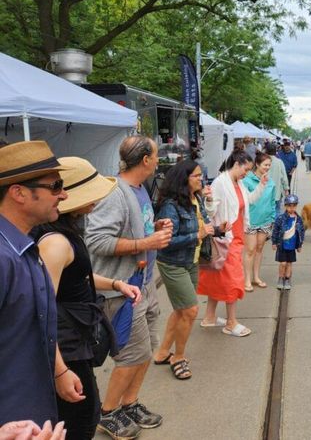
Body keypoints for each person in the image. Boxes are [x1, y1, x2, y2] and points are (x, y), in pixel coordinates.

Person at [35, 157, 142, 439]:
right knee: (80, 419)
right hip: (66, 345)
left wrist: (116, 284)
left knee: (85, 413)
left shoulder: (66, 233)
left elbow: (78, 276)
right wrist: (60, 371)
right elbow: (42, 309)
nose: (97, 199)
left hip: (74, 339)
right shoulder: (55, 242)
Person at [85, 135, 174, 438]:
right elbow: (96, 241)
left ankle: (130, 404)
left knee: (145, 350)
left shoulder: (138, 188)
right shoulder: (114, 192)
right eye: (156, 155)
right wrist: (146, 242)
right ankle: (108, 412)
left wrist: (154, 228)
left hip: (143, 284)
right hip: (122, 290)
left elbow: (136, 229)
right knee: (131, 354)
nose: (158, 160)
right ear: (146, 160)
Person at [0, 141, 70, 427]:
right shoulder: (4, 257)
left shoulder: (22, 246)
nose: (64, 194)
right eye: (55, 186)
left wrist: (58, 371)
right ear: (18, 193)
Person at [153, 160, 219, 381]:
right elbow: (166, 241)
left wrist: (217, 230)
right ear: (184, 179)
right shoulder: (170, 206)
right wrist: (197, 235)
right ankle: (178, 357)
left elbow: (205, 223)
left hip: (191, 260)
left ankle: (163, 352)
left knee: (181, 310)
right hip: (173, 263)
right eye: (197, 176)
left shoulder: (195, 199)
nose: (201, 179)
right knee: (190, 311)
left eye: (201, 175)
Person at [198, 150, 267, 337]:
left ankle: (209, 317)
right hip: (225, 239)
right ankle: (231, 322)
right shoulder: (220, 183)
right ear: (236, 164)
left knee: (217, 278)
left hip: (236, 236)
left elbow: (247, 201)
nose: (247, 173)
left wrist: (261, 185)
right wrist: (209, 200)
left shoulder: (238, 182)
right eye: (246, 169)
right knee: (233, 280)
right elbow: (210, 212)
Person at [241, 152, 276, 291]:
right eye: (265, 165)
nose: (267, 167)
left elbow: (273, 202)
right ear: (257, 164)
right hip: (251, 221)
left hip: (265, 220)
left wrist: (272, 217)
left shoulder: (270, 182)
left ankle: (256, 277)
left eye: (269, 165)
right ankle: (247, 279)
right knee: (250, 250)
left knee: (260, 248)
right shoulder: (246, 180)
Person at [271, 194, 304, 291]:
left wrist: (300, 245)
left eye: (294, 205)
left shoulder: (298, 219)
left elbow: (301, 232)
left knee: (289, 263)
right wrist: (274, 242)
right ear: (285, 206)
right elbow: (275, 230)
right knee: (283, 263)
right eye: (289, 205)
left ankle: (287, 279)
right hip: (282, 245)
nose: (291, 208)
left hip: (292, 246)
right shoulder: (281, 218)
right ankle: (281, 278)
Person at [265, 142, 290, 213]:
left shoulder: (263, 162)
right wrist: (286, 189)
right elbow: (284, 177)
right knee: (277, 210)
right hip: (277, 192)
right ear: (275, 151)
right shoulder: (279, 162)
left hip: (265, 192)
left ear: (266, 151)